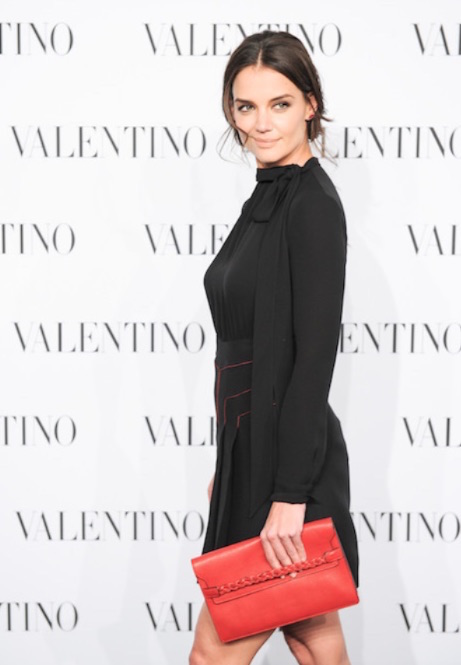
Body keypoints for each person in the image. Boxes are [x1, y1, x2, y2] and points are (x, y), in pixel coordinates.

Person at [189, 30, 359, 665]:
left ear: (311, 104)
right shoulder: (270, 193)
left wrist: (289, 494)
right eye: (246, 106)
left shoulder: (310, 204)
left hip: (284, 469)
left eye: (280, 104)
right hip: (255, 451)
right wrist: (231, 458)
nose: (261, 123)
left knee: (214, 653)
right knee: (313, 639)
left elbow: (313, 358)